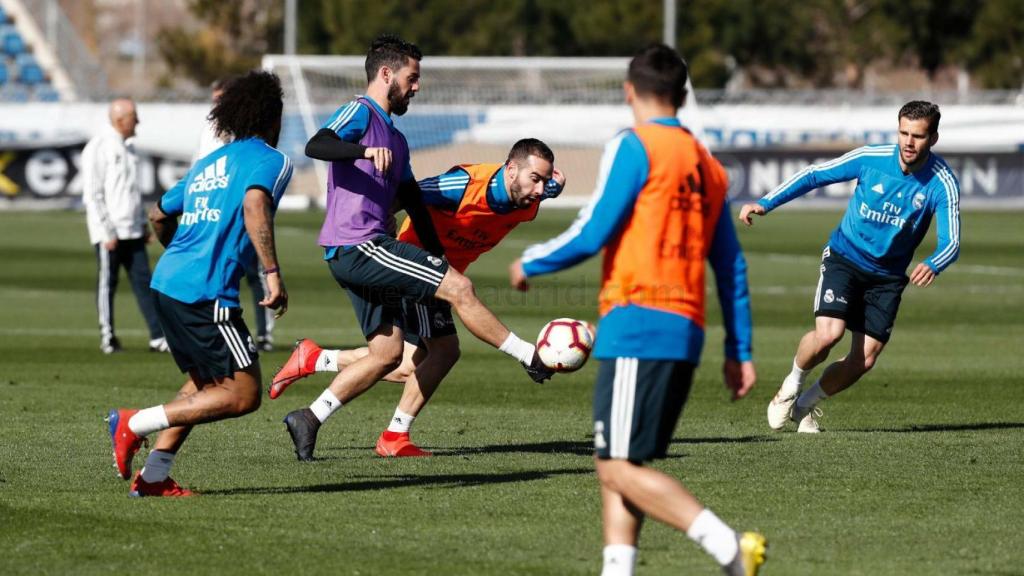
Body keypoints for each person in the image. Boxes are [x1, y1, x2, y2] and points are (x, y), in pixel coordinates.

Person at [508, 44, 766, 576]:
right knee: (622, 464)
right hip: (685, 330)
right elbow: (731, 267)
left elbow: (594, 228)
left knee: (617, 467)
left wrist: (531, 261)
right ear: (684, 96)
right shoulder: (708, 165)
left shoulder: (634, 146)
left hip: (637, 323)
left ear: (630, 91)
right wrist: (739, 350)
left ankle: (729, 548)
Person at [278, 34, 554, 462]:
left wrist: (437, 256)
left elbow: (413, 198)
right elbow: (317, 145)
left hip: (369, 249)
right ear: (386, 74)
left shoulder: (398, 139)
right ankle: (526, 355)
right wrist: (365, 151)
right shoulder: (361, 112)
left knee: (389, 354)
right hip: (360, 244)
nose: (417, 86)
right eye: (413, 77)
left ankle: (310, 417)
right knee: (460, 291)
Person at [105, 70, 293, 497]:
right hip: (207, 293)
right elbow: (254, 203)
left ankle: (153, 478)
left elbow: (158, 214)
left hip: (168, 284)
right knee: (243, 395)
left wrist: (178, 252)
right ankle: (133, 422)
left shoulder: (211, 163)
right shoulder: (271, 160)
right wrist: (272, 273)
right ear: (273, 117)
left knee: (207, 385)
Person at [740, 100, 961, 434]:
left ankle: (806, 405)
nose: (908, 142)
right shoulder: (870, 158)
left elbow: (951, 242)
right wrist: (767, 202)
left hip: (886, 278)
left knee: (865, 359)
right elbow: (814, 175)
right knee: (830, 334)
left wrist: (934, 263)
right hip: (846, 257)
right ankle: (790, 387)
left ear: (934, 138)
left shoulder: (941, 183)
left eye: (917, 135)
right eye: (903, 133)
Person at [194, 76, 276, 352]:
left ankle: (265, 333)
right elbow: (201, 164)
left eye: (222, 98)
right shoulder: (209, 128)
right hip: (216, 210)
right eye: (215, 97)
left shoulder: (241, 134)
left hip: (240, 208)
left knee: (256, 273)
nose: (217, 103)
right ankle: (213, 326)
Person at [81, 98, 167, 354]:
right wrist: (106, 231)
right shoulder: (99, 147)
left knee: (144, 281)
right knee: (108, 283)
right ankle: (107, 336)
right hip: (110, 232)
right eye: (134, 116)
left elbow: (131, 192)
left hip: (132, 230)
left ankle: (157, 336)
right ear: (120, 120)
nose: (137, 121)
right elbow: (93, 194)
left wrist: (142, 223)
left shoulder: (128, 147)